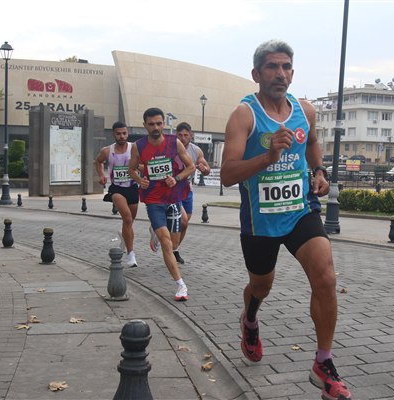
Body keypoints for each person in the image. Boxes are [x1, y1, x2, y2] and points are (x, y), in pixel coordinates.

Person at [220, 39, 351, 400]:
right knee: (261, 286)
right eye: (272, 67)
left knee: (325, 276)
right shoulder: (244, 115)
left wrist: (319, 170)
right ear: (256, 73)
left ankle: (323, 363)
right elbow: (227, 174)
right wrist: (267, 156)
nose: (280, 74)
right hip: (260, 220)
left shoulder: (304, 110)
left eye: (286, 67)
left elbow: (311, 143)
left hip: (300, 211)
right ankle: (250, 320)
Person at [128, 107, 196, 301]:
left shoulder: (174, 143)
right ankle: (180, 285)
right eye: (151, 124)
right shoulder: (139, 146)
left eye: (159, 123)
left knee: (173, 244)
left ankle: (155, 232)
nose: (156, 127)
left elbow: (191, 166)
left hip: (173, 198)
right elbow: (131, 169)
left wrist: (177, 178)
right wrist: (139, 180)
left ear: (163, 124)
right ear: (145, 125)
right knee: (166, 243)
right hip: (153, 199)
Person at [94, 121, 139, 268]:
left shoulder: (134, 148)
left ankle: (123, 236)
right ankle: (131, 254)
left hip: (132, 187)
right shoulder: (107, 151)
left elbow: (143, 163)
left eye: (124, 133)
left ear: (127, 133)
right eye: (118, 134)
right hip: (117, 188)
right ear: (113, 134)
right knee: (127, 218)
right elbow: (98, 161)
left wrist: (140, 168)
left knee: (129, 222)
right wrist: (101, 175)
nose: (122, 136)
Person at [174, 122, 211, 264]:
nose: (183, 138)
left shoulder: (196, 150)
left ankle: (175, 249)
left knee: (184, 223)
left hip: (187, 188)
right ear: (176, 135)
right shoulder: (170, 148)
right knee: (182, 219)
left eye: (185, 135)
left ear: (191, 135)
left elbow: (207, 169)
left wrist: (204, 169)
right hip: (173, 187)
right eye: (180, 135)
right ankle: (160, 229)